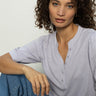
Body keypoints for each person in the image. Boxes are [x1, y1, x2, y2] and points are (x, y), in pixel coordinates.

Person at [0, 0, 96, 95]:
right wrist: (26, 70)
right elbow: (2, 61)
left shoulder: (91, 39)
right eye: (55, 4)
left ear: (76, 10)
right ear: (47, 6)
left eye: (69, 6)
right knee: (9, 77)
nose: (61, 12)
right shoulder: (44, 43)